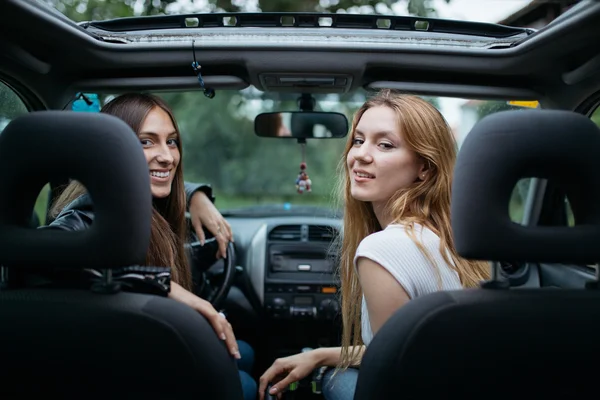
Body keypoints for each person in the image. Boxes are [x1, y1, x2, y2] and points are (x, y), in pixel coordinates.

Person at [258, 90, 490, 400]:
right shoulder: (448, 237)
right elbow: (408, 348)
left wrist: (326, 368)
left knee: (334, 382)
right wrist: (319, 355)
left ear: (425, 167)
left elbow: (392, 373)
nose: (360, 155)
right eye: (358, 140)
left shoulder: (381, 250)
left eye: (385, 145)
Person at [43, 93, 257, 400]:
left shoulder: (141, 209)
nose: (167, 157)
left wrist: (195, 194)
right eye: (146, 142)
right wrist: (162, 286)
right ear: (108, 150)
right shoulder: (85, 216)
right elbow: (41, 261)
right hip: (119, 367)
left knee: (244, 353)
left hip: (140, 347)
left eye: (171, 141)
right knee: (245, 382)